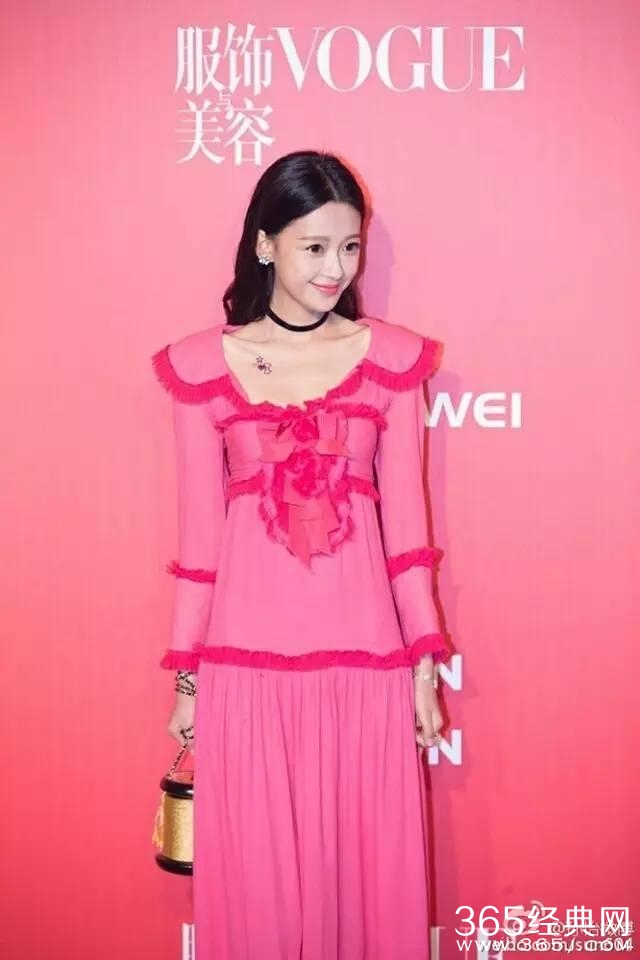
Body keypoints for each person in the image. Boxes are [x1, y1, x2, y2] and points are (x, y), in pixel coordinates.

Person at [151, 149, 452, 960]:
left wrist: (423, 663)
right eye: (314, 246)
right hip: (245, 670)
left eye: (349, 246)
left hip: (365, 666)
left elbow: (409, 536)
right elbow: (199, 543)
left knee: (368, 888)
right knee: (259, 896)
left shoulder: (393, 361)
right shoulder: (199, 368)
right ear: (265, 243)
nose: (335, 268)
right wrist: (188, 678)